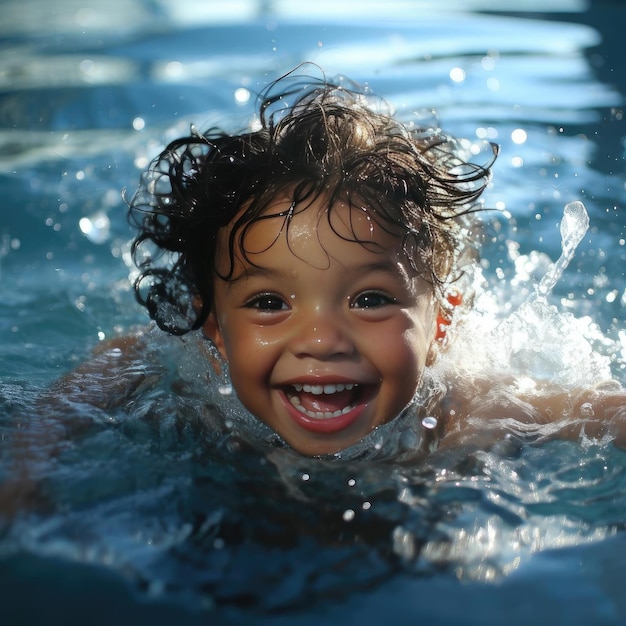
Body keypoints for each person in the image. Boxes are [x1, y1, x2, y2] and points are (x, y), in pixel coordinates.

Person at [58, 69, 626, 459]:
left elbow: (598, 412)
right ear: (216, 332)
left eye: (370, 299)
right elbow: (103, 372)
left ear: (441, 326)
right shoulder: (188, 394)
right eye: (269, 303)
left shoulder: (470, 415)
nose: (323, 341)